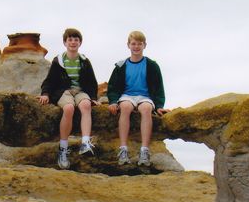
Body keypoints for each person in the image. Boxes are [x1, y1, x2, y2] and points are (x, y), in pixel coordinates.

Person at [38, 28, 99, 169]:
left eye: (76, 40)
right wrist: (45, 94)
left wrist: (94, 97)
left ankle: (85, 143)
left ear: (80, 43)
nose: (73, 42)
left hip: (80, 91)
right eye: (70, 40)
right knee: (69, 108)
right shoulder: (58, 61)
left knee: (86, 105)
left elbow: (92, 82)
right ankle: (63, 149)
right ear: (65, 42)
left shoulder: (84, 61)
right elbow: (49, 80)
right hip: (63, 91)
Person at [107, 30, 169, 166]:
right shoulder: (121, 65)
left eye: (139, 44)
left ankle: (144, 151)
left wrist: (159, 106)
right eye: (133, 44)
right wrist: (112, 101)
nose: (136, 47)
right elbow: (113, 87)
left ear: (144, 45)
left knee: (146, 109)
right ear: (128, 45)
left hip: (145, 97)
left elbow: (159, 88)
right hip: (127, 95)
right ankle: (123, 150)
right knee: (125, 107)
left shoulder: (152, 65)